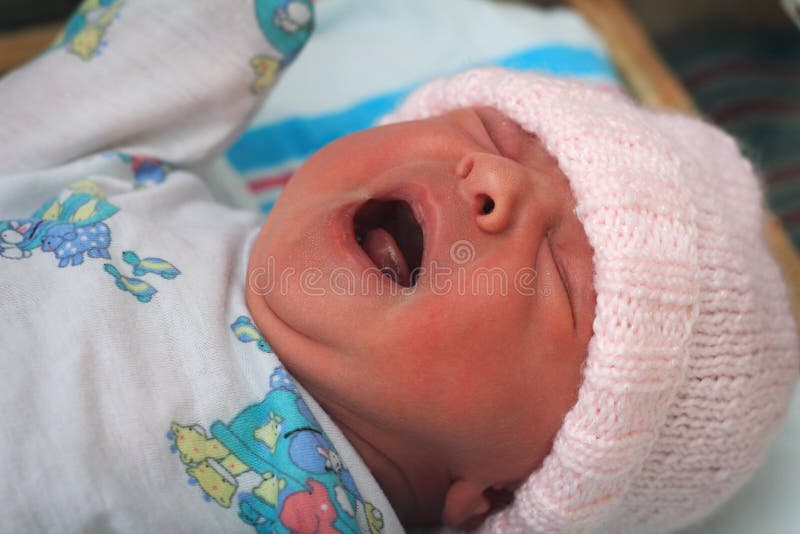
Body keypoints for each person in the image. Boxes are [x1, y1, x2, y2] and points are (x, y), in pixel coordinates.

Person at [0, 3, 796, 533]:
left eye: (558, 272)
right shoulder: (131, 184)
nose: (495, 180)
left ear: (502, 490)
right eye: (492, 132)